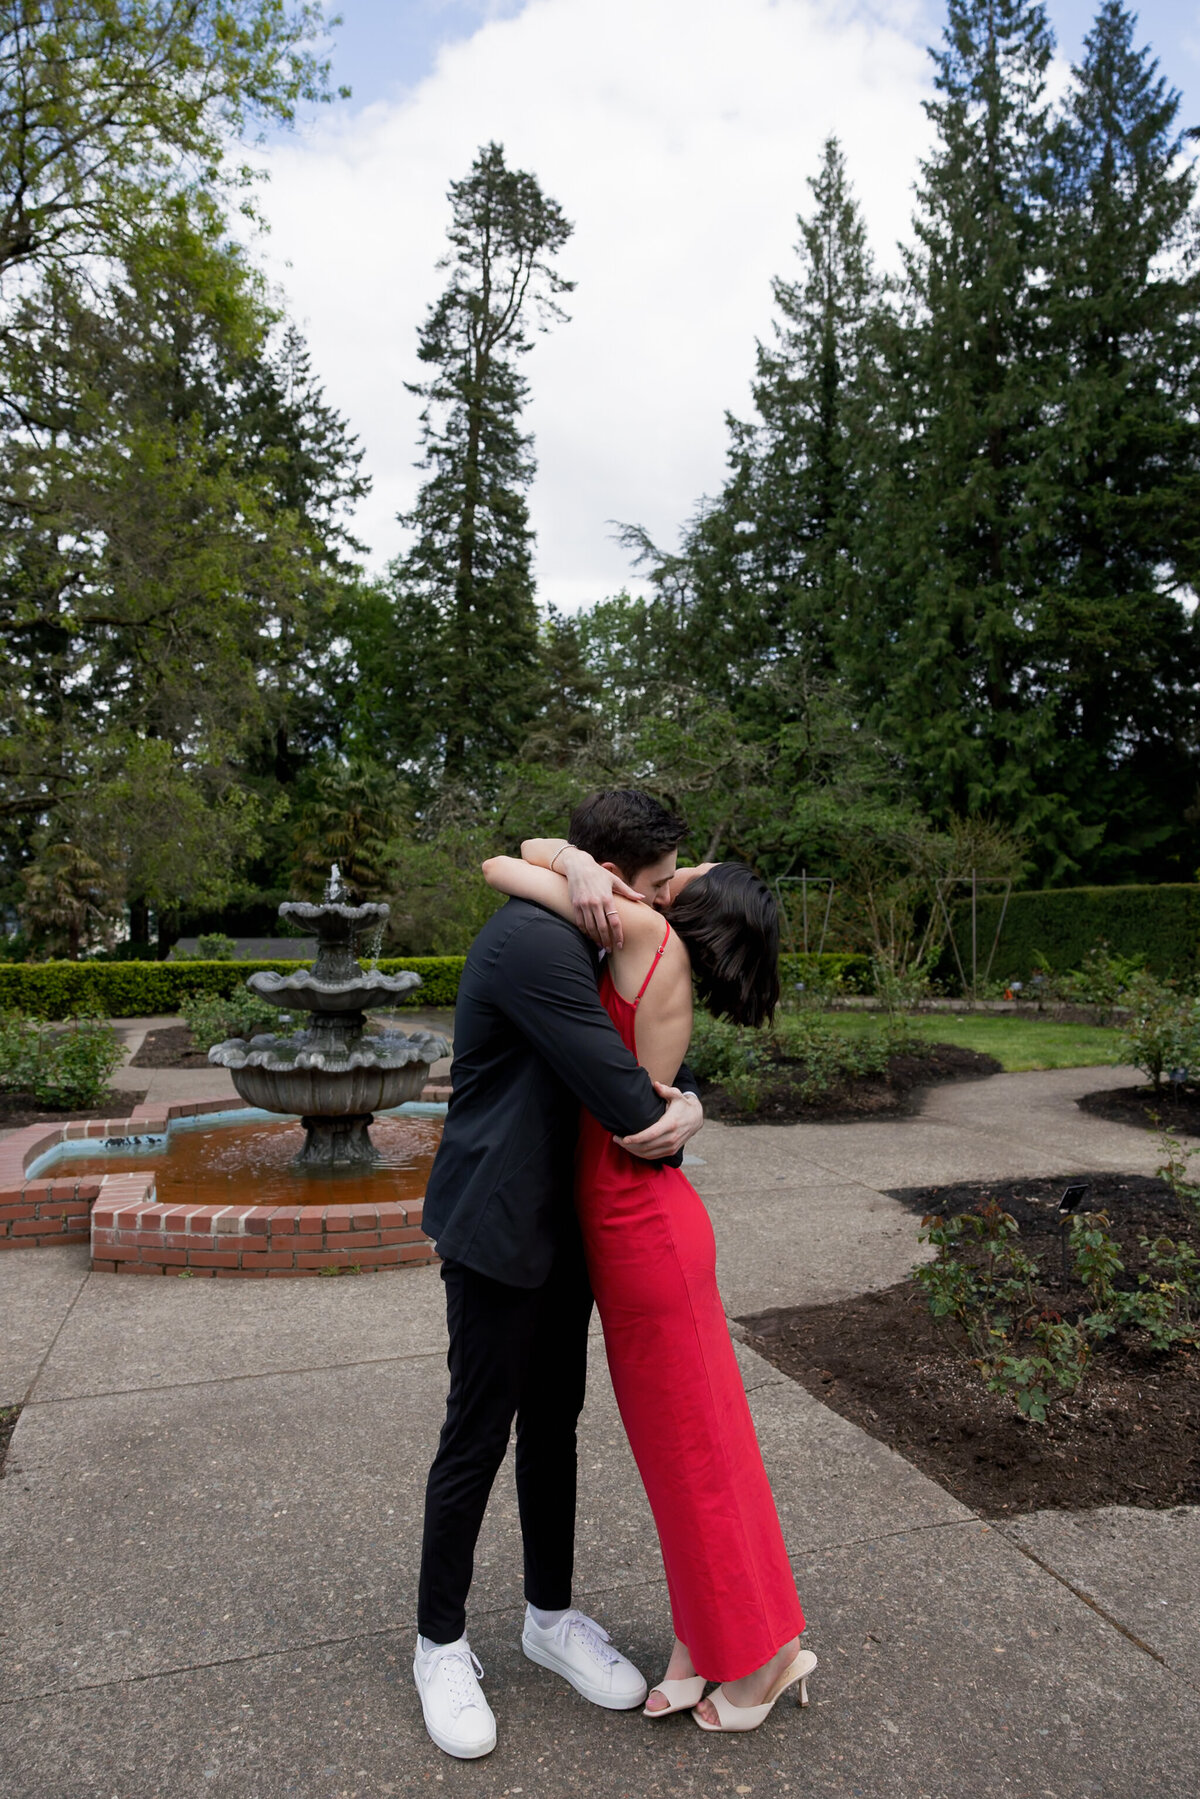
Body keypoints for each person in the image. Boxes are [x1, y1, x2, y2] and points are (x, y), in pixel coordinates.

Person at [482, 810, 814, 1734]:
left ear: (693, 901)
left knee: (692, 1460)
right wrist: (587, 863)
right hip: (640, 1224)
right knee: (691, 1455)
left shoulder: (642, 929)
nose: (669, 873)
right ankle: (713, 1640)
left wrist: (576, 867)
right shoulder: (654, 940)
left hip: (640, 1232)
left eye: (686, 869)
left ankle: (758, 1664)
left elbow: (498, 865)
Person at [413, 792, 705, 1760]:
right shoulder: (536, 949)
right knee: (477, 1431)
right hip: (498, 1225)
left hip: (563, 1226)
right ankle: (440, 1641)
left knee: (554, 1428)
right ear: (616, 875)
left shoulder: (577, 919)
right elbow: (631, 1106)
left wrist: (556, 858)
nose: (664, 904)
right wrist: (686, 1110)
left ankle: (549, 1617)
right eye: (657, 885)